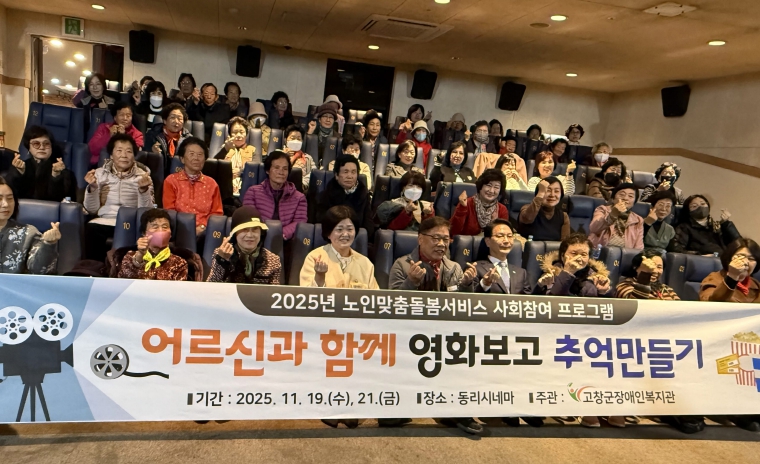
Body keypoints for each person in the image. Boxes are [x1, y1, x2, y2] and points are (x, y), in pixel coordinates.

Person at [388, 216, 481, 435]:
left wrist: (467, 285)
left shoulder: (453, 267)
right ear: (420, 239)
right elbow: (392, 305)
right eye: (436, 238)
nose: (441, 244)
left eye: (445, 239)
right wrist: (411, 282)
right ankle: (393, 410)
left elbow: (463, 307)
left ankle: (457, 412)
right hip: (410, 331)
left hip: (444, 333)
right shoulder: (402, 264)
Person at [700, 238, 760, 432]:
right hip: (721, 341)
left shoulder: (756, 286)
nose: (746, 262)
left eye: (751, 258)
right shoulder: (714, 279)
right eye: (740, 256)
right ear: (728, 258)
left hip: (751, 344)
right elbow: (710, 305)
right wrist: (732, 278)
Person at [83, 134, 154, 261]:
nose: (124, 155)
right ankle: (94, 268)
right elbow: (91, 209)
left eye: (129, 151)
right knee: (90, 229)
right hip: (105, 220)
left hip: (131, 222)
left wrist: (143, 190)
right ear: (111, 155)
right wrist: (92, 188)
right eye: (119, 150)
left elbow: (147, 212)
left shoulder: (143, 176)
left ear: (134, 155)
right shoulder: (99, 174)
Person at [300, 205, 378, 289]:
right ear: (328, 233)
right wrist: (319, 276)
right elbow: (306, 294)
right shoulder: (314, 258)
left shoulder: (365, 263)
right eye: (339, 229)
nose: (345, 234)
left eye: (349, 229)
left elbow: (375, 295)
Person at [163, 137, 223, 236]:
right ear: (182, 159)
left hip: (205, 232)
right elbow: (169, 211)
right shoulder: (171, 181)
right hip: (178, 231)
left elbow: (217, 213)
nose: (196, 158)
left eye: (200, 155)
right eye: (191, 154)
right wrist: (186, 230)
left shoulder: (212, 184)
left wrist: (203, 227)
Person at [242, 151, 307, 241]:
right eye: (276, 167)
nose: (281, 172)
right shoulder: (253, 192)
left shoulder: (299, 198)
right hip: (257, 239)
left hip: (285, 241)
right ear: (268, 170)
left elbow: (300, 222)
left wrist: (280, 234)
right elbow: (249, 218)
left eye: (285, 169)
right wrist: (264, 233)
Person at [207, 206, 281, 284]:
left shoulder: (273, 260)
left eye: (255, 229)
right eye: (244, 230)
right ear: (235, 234)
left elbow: (274, 291)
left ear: (261, 233)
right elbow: (211, 286)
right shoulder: (220, 253)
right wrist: (222, 261)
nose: (250, 235)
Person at [0, 176, 59, 274]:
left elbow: (39, 271)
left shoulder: (28, 233)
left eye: (10, 199)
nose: (6, 204)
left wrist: (48, 244)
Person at [115, 208, 190, 281]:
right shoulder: (129, 257)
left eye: (165, 227)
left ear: (170, 234)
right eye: (155, 227)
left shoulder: (179, 263)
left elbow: (177, 289)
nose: (160, 231)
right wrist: (139, 257)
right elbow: (123, 283)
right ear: (144, 233)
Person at [6, 126, 76, 202]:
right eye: (36, 144)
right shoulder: (19, 166)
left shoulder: (64, 172)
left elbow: (63, 200)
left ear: (51, 147)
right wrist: (18, 174)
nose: (42, 147)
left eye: (46, 144)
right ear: (29, 147)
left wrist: (56, 176)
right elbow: (10, 195)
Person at [314, 155, 374, 239]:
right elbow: (321, 225)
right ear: (336, 175)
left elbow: (369, 226)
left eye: (353, 172)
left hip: (357, 240)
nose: (350, 176)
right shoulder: (324, 196)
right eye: (345, 172)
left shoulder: (363, 195)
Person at [535, 233, 612, 297]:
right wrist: (568, 272)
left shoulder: (596, 275)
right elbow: (552, 300)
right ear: (562, 256)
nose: (579, 258)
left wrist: (602, 292)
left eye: (583, 254)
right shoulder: (551, 273)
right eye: (574, 253)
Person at [475, 219, 531, 294]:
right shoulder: (476, 269)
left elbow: (529, 299)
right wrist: (485, 284)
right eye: (500, 236)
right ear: (488, 241)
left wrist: (541, 285)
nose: (506, 241)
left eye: (510, 236)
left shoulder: (521, 273)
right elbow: (469, 296)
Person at [671, 195, 740, 255]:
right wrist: (700, 256)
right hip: (701, 262)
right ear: (688, 211)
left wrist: (726, 224)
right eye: (694, 206)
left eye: (703, 204)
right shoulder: (684, 227)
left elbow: (738, 244)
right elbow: (677, 250)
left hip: (723, 261)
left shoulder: (716, 226)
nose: (700, 207)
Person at [450, 169, 509, 236]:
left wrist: (495, 224)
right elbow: (453, 232)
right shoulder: (467, 203)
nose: (491, 191)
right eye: (488, 185)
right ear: (480, 186)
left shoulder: (502, 209)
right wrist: (462, 208)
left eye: (496, 187)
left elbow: (502, 236)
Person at [589, 183, 644, 249]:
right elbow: (594, 228)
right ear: (613, 199)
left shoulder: (638, 220)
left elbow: (639, 247)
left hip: (625, 254)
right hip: (600, 251)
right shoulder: (603, 209)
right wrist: (613, 214)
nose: (625, 198)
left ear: (634, 202)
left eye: (630, 196)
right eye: (622, 194)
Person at [88, 101, 144, 166]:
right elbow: (93, 149)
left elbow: (135, 154)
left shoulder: (137, 134)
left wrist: (123, 136)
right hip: (100, 165)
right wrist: (109, 136)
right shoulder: (103, 128)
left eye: (128, 115)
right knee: (104, 152)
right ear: (115, 118)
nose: (125, 118)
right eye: (121, 115)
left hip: (125, 166)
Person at [145, 102, 192, 174]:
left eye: (179, 118)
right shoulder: (152, 135)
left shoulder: (189, 139)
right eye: (172, 117)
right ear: (165, 120)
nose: (176, 121)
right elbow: (144, 157)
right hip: (156, 174)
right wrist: (152, 152)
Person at [214, 117, 256, 196]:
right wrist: (225, 149)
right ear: (230, 134)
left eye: (241, 132)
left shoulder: (252, 150)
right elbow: (213, 167)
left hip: (246, 188)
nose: (238, 135)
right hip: (224, 188)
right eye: (235, 132)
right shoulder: (225, 148)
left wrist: (240, 172)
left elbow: (256, 170)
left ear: (246, 134)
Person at [282, 125, 315, 192]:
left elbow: (314, 173)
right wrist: (284, 156)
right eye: (292, 138)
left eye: (299, 139)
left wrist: (301, 183)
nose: (296, 141)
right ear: (285, 140)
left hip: (300, 190)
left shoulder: (308, 158)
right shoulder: (278, 155)